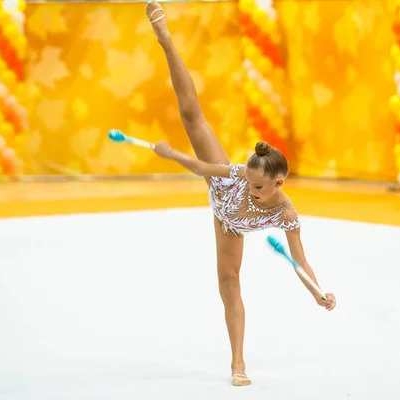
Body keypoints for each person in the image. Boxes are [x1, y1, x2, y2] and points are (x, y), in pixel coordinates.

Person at [144, 0, 336, 387]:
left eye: (260, 186)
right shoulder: (237, 177)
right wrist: (172, 154)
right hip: (220, 193)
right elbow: (203, 169)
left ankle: (238, 364)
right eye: (250, 181)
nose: (253, 190)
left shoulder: (287, 215)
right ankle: (166, 39)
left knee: (230, 283)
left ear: (280, 183)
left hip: (230, 226)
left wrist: (317, 291)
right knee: (192, 115)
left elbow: (300, 262)